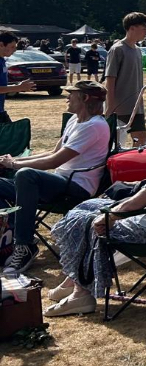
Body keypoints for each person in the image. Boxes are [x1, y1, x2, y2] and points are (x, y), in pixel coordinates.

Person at [44, 118, 146, 316]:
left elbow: (137, 203)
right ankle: (74, 278)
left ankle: (81, 294)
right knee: (88, 205)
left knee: (86, 222)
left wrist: (111, 216)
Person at [0, 81, 112, 275]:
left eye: (71, 94)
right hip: (59, 182)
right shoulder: (74, 120)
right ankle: (11, 234)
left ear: (85, 98)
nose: (67, 98)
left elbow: (54, 161)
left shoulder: (94, 126)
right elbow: (53, 152)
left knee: (26, 175)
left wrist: (15, 164)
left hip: (77, 188)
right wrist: (11, 160)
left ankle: (24, 245)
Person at [105, 12, 146, 148]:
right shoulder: (117, 49)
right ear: (132, 28)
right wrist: (110, 107)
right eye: (144, 28)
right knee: (116, 142)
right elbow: (110, 79)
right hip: (121, 106)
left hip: (136, 106)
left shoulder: (138, 50)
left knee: (141, 140)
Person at [0, 31, 37, 125]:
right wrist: (18, 88)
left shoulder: (2, 60)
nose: (15, 50)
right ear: (1, 45)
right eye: (12, 47)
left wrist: (18, 86)